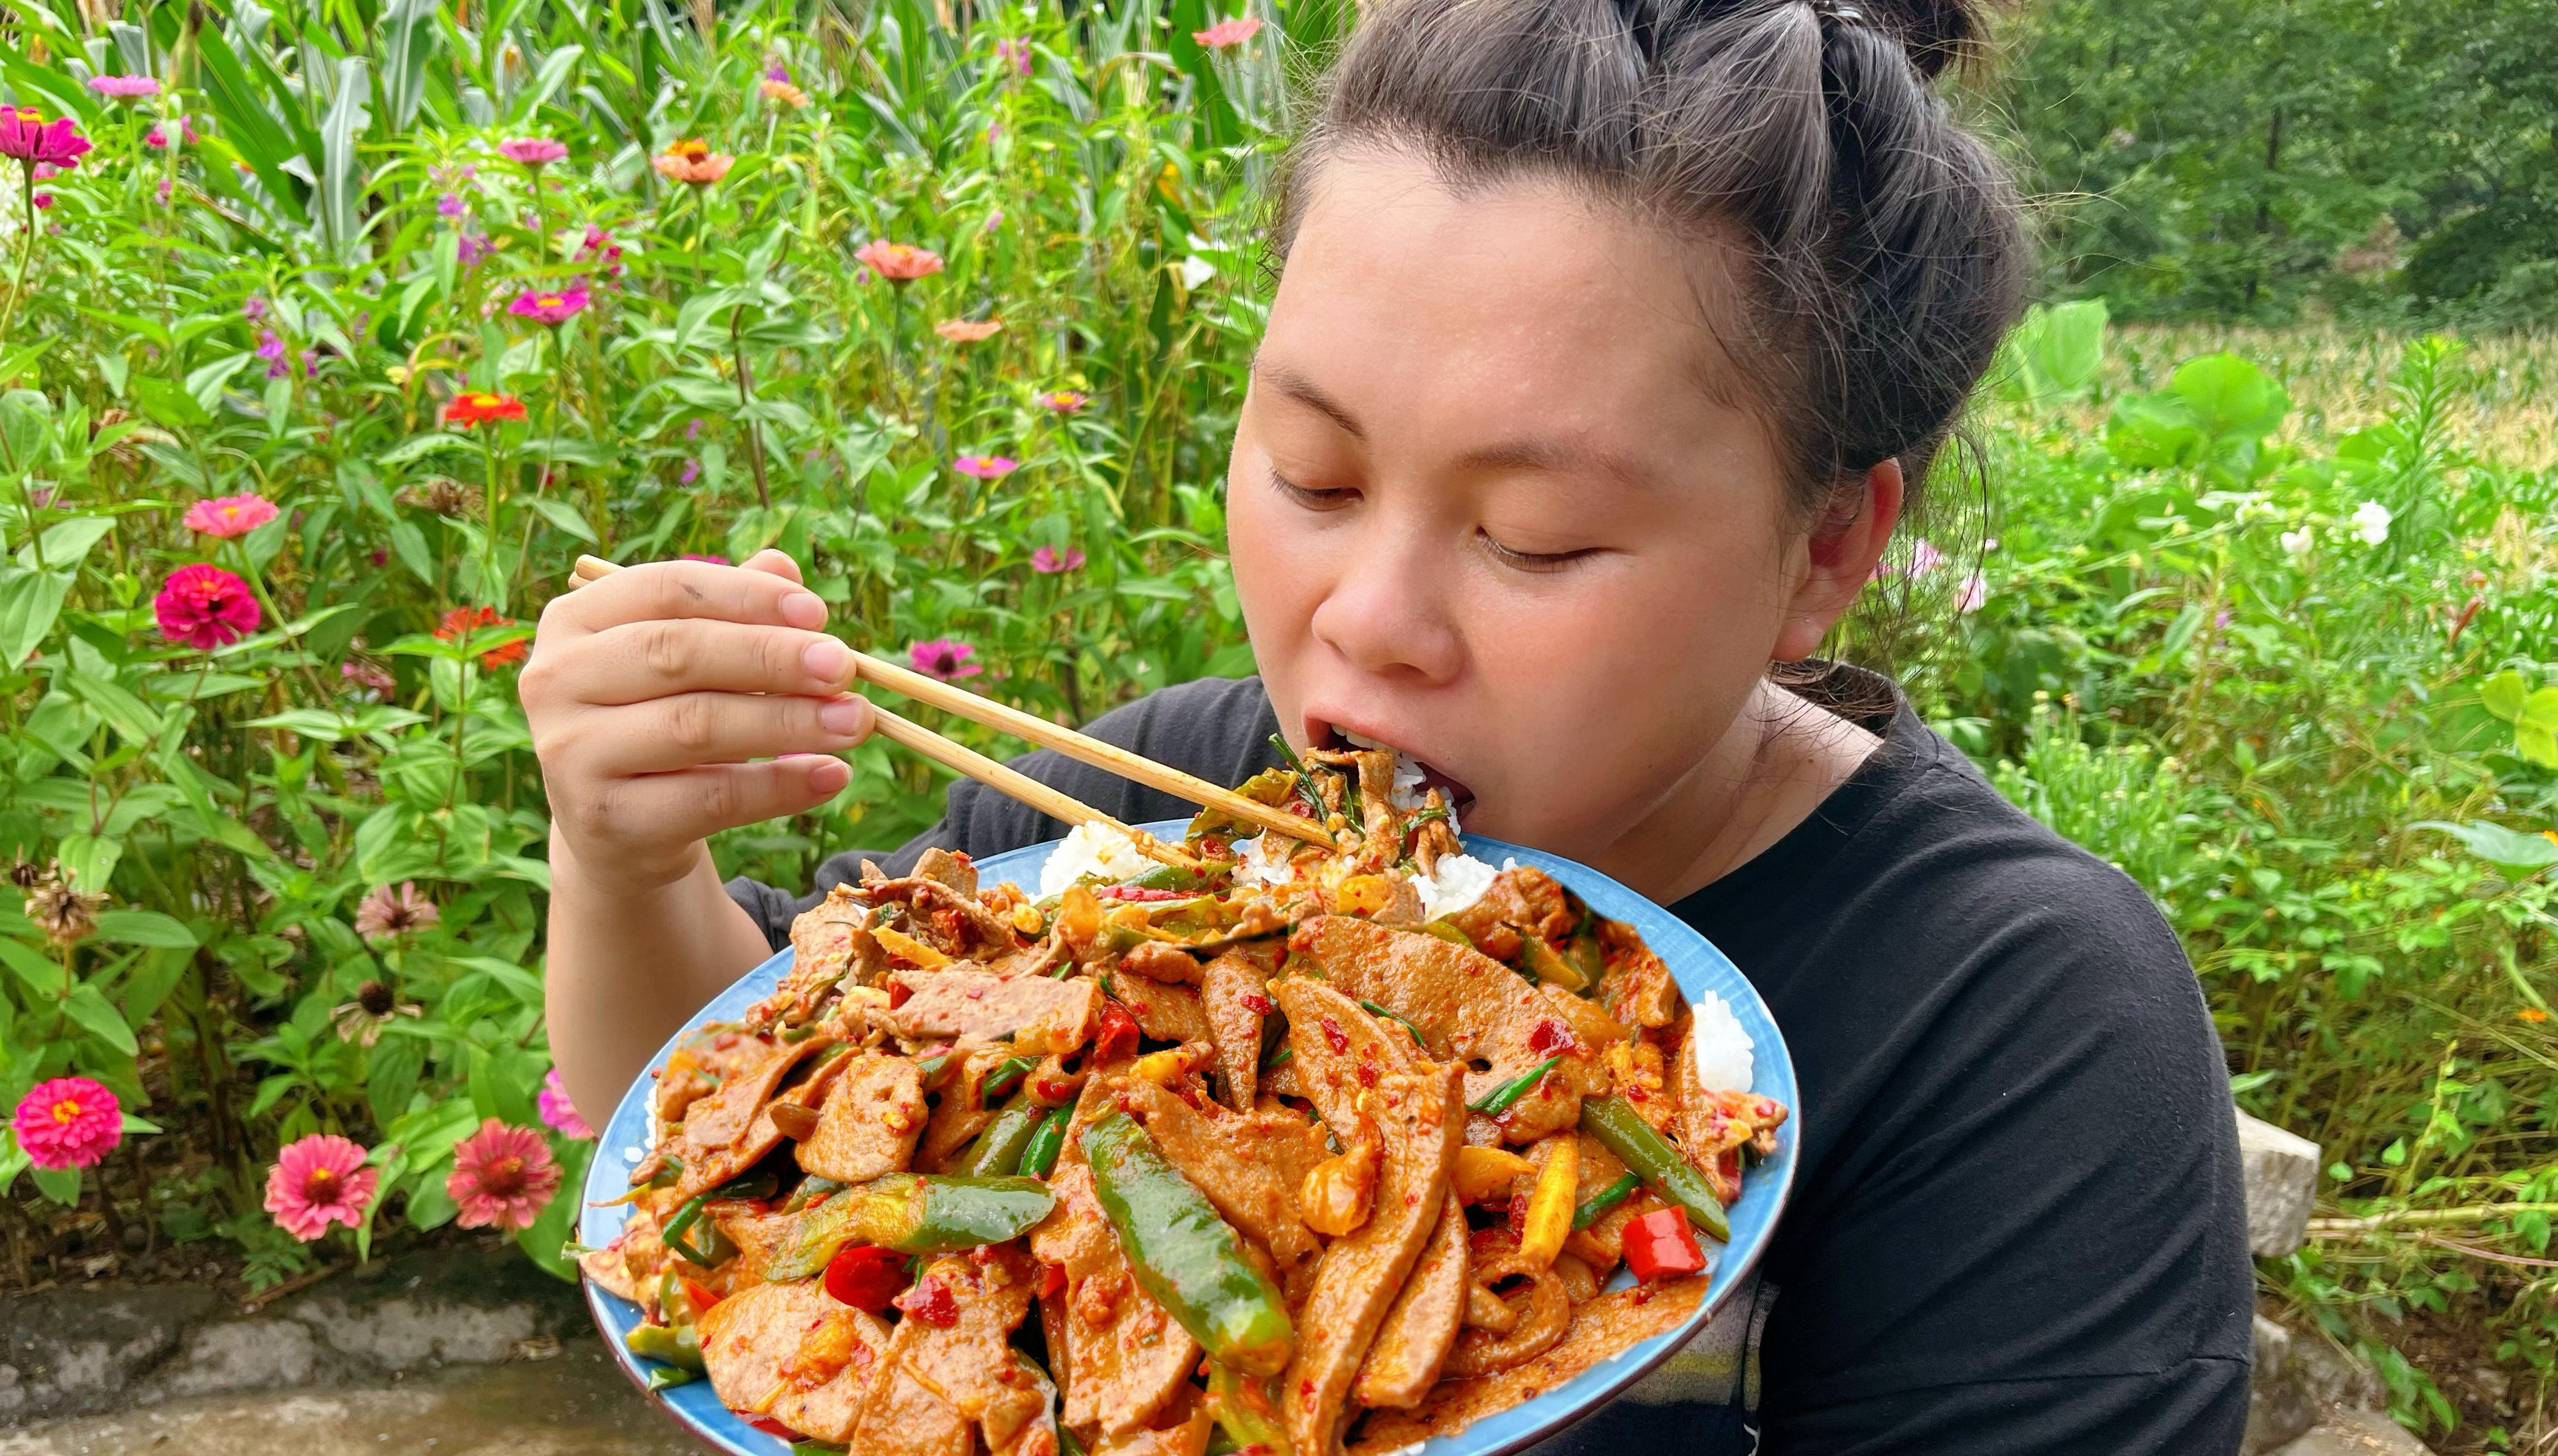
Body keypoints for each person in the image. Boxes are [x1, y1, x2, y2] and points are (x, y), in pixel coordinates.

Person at [525, 0, 2255, 1446]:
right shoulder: (1143, 844)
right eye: (1315, 471)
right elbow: (691, 1130)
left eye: (1534, 538)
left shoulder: (2013, 1021)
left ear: (1826, 550)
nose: (1362, 618)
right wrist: (622, 856)